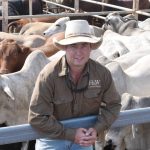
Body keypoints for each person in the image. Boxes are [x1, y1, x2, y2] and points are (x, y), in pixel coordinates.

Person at [28, 19, 121, 150]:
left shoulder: (102, 74)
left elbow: (114, 105)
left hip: (84, 137)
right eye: (73, 46)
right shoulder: (48, 75)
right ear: (65, 48)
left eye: (84, 45)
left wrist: (97, 129)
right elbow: (36, 118)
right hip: (52, 138)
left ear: (90, 48)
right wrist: (71, 134)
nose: (79, 52)